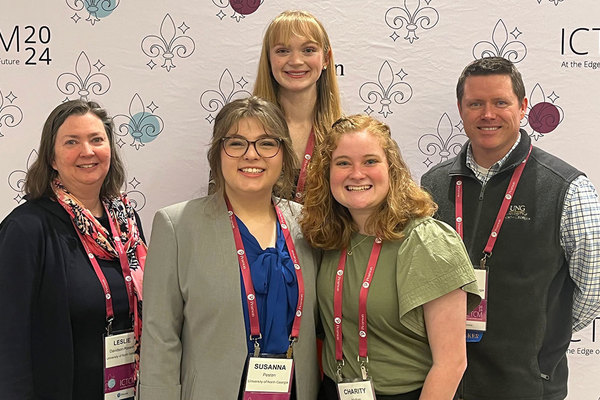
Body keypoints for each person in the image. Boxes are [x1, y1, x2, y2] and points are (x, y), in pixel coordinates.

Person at [421, 56, 600, 400]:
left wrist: (542, 338)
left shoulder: (566, 188)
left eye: (500, 102)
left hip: (528, 386)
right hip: (446, 384)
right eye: (476, 103)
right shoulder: (433, 184)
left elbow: (592, 289)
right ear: (461, 109)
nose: (488, 114)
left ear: (522, 107)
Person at [139, 96, 320, 400]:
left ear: (283, 154)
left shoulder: (308, 224)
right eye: (236, 143)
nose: (251, 155)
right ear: (217, 154)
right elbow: (160, 337)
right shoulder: (177, 226)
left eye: (266, 143)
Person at [301, 114, 481, 399]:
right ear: (327, 173)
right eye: (343, 163)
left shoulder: (427, 241)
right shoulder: (331, 236)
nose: (356, 174)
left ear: (391, 169)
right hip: (334, 390)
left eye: (370, 161)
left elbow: (451, 363)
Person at [0, 100, 146, 400]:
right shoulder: (25, 229)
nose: (87, 151)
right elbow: (8, 337)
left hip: (129, 389)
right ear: (52, 158)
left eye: (96, 139)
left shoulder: (127, 223)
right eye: (71, 142)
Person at [253, 9, 342, 201]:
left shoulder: (343, 135)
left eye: (308, 50)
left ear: (326, 59)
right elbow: (220, 206)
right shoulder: (243, 130)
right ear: (268, 59)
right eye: (283, 51)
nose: (295, 61)